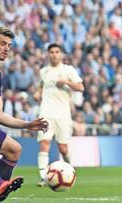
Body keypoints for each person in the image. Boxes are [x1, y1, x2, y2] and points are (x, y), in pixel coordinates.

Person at [0, 26, 48, 202]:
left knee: (13, 149)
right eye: (2, 43)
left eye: (9, 45)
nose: (7, 48)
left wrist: (27, 125)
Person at [34, 43, 84, 186]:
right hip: (46, 113)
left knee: (63, 148)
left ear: (61, 54)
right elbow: (41, 85)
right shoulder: (43, 71)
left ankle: (70, 170)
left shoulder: (68, 70)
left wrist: (67, 82)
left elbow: (81, 87)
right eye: (51, 52)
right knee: (44, 143)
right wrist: (38, 93)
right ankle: (43, 177)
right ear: (48, 54)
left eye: (57, 52)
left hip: (63, 115)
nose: (54, 54)